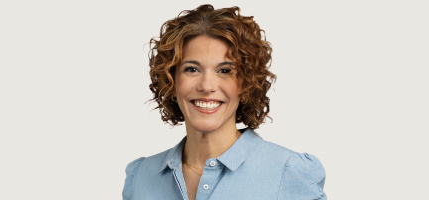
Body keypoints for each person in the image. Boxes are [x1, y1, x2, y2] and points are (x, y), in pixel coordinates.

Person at [123, 4, 326, 200]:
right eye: (192, 69)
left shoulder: (289, 172)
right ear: (171, 79)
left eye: (225, 71)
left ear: (247, 83)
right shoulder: (141, 176)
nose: (207, 86)